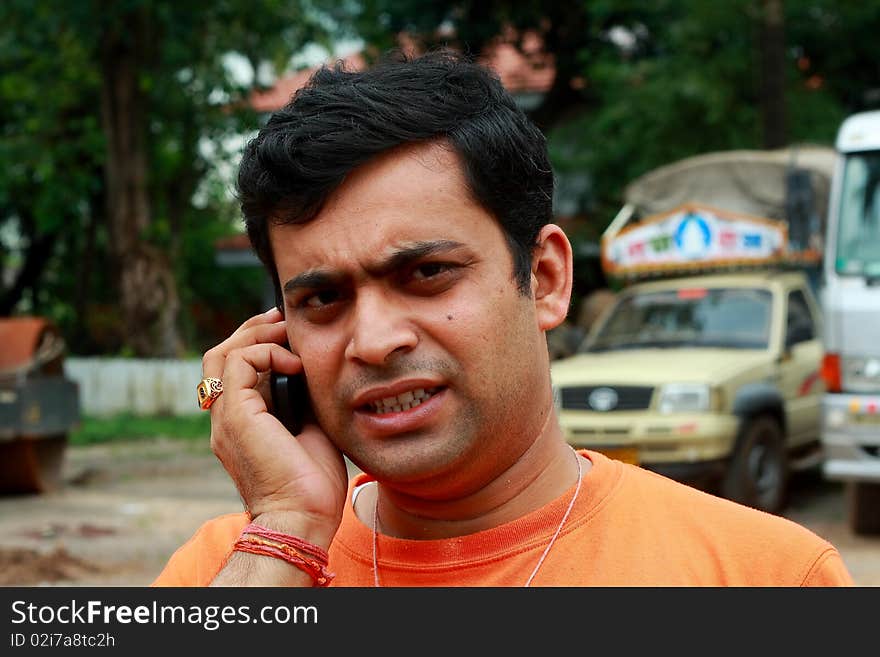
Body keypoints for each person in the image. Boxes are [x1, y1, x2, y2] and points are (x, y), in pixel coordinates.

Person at [153, 50, 853, 587]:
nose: (374, 340)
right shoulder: (232, 569)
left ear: (545, 278)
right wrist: (288, 533)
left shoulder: (764, 575)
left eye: (426, 274)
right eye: (322, 299)